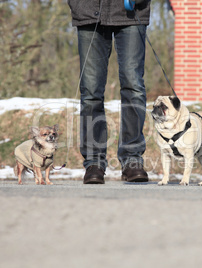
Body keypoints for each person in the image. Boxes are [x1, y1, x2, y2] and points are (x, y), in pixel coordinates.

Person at [68, 0, 150, 184]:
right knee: (90, 92)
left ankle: (132, 160)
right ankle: (94, 163)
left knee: (134, 86)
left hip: (132, 12)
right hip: (88, 12)